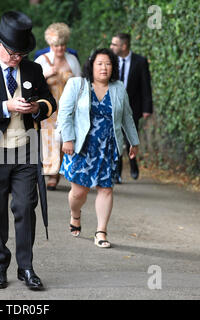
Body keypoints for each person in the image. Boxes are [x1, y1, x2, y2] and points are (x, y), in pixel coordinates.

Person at [0, 11, 57, 290]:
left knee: (25, 207)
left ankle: (26, 268)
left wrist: (37, 107)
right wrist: (7, 106)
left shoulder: (33, 70)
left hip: (25, 151)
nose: (18, 58)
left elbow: (49, 102)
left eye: (22, 53)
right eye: (13, 53)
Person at [58, 48, 140, 247]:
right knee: (79, 192)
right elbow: (65, 113)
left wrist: (134, 142)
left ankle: (101, 232)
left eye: (109, 64)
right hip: (81, 146)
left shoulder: (119, 88)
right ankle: (75, 214)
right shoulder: (77, 84)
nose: (104, 68)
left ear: (114, 67)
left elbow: (127, 116)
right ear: (91, 65)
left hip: (108, 147)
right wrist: (67, 139)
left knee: (106, 190)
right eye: (100, 63)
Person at [35, 22, 81, 190]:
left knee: (63, 138)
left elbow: (80, 83)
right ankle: (51, 173)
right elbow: (31, 85)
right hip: (49, 106)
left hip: (68, 107)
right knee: (50, 139)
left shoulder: (72, 60)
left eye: (62, 45)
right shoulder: (41, 60)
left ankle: (57, 173)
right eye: (56, 45)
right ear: (50, 45)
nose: (60, 48)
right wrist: (45, 75)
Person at [110, 33, 153, 182]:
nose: (111, 47)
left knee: (130, 138)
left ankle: (133, 163)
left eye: (114, 44)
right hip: (114, 106)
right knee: (116, 138)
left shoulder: (140, 61)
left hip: (133, 107)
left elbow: (146, 86)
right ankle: (117, 172)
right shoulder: (110, 61)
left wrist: (147, 108)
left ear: (124, 46)